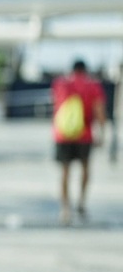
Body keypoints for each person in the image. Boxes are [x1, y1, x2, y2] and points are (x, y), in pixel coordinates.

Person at [51, 59, 107, 224]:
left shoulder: (61, 84)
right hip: (85, 134)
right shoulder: (93, 86)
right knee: (85, 169)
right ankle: (81, 202)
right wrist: (102, 133)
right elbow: (99, 111)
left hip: (63, 134)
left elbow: (57, 107)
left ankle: (65, 208)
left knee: (65, 172)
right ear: (85, 70)